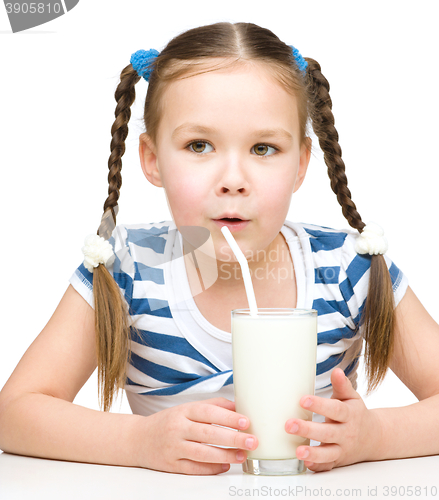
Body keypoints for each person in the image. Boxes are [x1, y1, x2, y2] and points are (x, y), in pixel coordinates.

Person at [0, 21, 438, 476]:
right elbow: (14, 412)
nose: (233, 179)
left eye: (264, 148)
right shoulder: (127, 266)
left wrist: (376, 436)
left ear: (302, 164)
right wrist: (139, 441)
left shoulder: (347, 269)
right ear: (152, 160)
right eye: (199, 145)